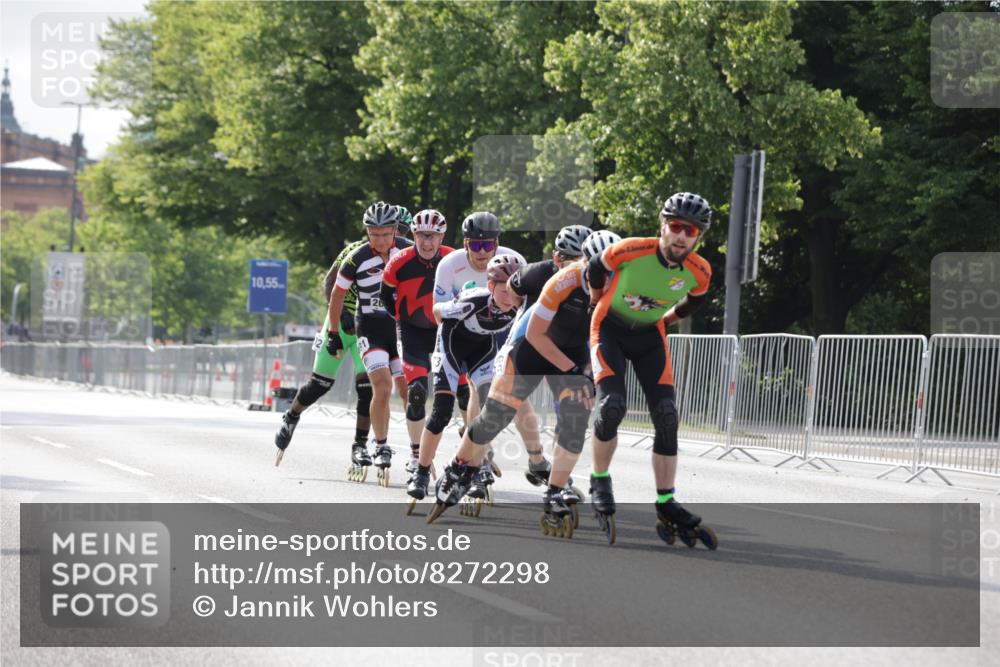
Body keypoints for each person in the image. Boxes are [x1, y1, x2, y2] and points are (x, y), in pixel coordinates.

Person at [426, 230, 622, 529]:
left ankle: (555, 491)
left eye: (614, 269)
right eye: (600, 269)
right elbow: (529, 325)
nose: (607, 277)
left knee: (575, 419)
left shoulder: (620, 286)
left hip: (572, 351)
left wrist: (587, 371)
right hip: (531, 345)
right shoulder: (553, 277)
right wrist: (572, 369)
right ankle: (458, 468)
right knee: (495, 416)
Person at [586, 192, 713, 539]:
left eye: (691, 231)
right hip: (608, 327)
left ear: (699, 237)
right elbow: (596, 266)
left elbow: (696, 299)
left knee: (667, 415)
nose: (681, 236)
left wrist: (668, 318)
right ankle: (599, 480)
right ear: (663, 225)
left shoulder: (699, 270)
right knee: (612, 407)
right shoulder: (631, 249)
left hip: (649, 336)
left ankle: (666, 499)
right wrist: (597, 299)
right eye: (675, 227)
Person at [406, 253, 524, 503]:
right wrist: (455, 303)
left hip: (482, 350)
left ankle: (477, 466)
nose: (509, 299)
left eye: (514, 292)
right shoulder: (475, 300)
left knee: (486, 410)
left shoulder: (519, 306)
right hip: (451, 343)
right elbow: (437, 312)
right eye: (503, 292)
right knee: (442, 412)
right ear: (490, 286)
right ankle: (422, 471)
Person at [327, 201, 412, 483]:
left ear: (395, 230)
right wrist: (334, 332)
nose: (379, 240)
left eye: (385, 234)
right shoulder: (357, 257)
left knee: (409, 390)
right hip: (370, 327)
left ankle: (417, 452)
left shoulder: (409, 250)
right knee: (383, 387)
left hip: (402, 327)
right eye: (373, 234)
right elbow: (337, 294)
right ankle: (381, 445)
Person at [506, 224, 593, 485]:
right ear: (557, 259)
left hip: (567, 346)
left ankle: (558, 477)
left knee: (570, 410)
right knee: (509, 400)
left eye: (586, 261)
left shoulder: (595, 280)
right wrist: (526, 310)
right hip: (532, 337)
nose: (582, 268)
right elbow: (513, 289)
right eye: (573, 261)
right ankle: (535, 460)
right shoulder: (537, 272)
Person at [272, 237, 369, 465]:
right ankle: (291, 416)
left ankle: (360, 445)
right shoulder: (355, 250)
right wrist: (343, 314)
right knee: (320, 384)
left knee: (367, 388)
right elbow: (330, 282)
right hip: (339, 324)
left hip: (367, 327)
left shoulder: (401, 255)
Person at [380, 209, 453, 475]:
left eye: (433, 236)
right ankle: (415, 453)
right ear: (413, 235)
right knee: (417, 392)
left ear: (441, 236)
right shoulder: (399, 261)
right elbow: (385, 296)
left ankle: (475, 451)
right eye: (422, 235)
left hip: (446, 333)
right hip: (412, 333)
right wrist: (400, 319)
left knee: (464, 394)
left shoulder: (453, 258)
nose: (427, 242)